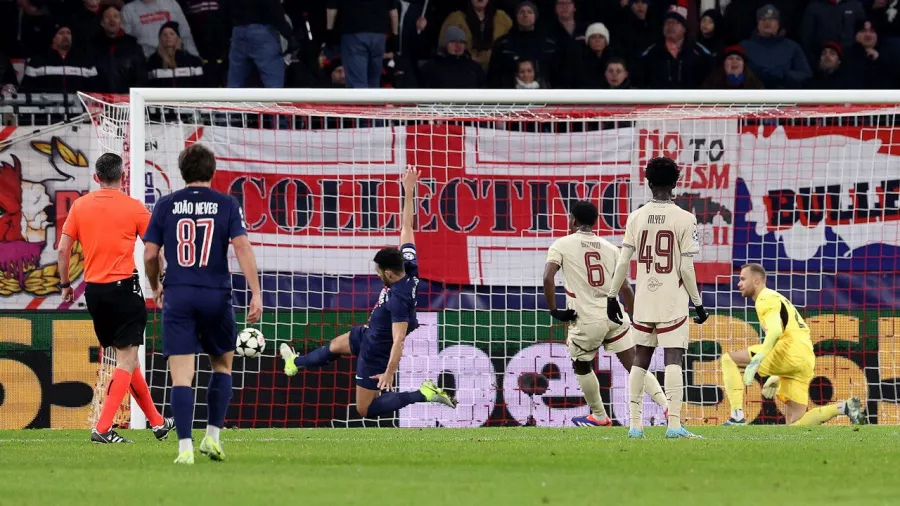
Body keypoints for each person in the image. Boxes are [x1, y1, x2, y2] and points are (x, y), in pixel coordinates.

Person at [279, 167, 456, 419]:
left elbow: (399, 340)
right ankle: (294, 364)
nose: (376, 273)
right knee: (334, 346)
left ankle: (424, 393)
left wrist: (389, 372)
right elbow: (407, 227)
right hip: (369, 332)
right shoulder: (409, 266)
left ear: (389, 273)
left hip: (377, 349)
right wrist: (408, 191)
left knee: (365, 408)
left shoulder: (399, 299)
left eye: (378, 270)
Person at [143, 144, 263, 464]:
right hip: (216, 296)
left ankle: (184, 448)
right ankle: (212, 437)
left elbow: (150, 254)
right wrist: (256, 291)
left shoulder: (166, 205)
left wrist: (156, 286)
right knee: (222, 366)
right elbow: (242, 247)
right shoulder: (226, 204)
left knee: (181, 377)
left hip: (179, 295)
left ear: (183, 172)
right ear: (213, 171)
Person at [57, 153, 174, 444]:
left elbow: (62, 250)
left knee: (127, 358)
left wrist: (65, 284)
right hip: (124, 289)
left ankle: (158, 422)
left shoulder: (80, 206)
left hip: (93, 292)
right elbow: (154, 249)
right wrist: (160, 280)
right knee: (127, 358)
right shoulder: (133, 207)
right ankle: (103, 427)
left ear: (96, 177)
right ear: (122, 177)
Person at [605, 157, 710, 439]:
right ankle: (674, 425)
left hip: (644, 299)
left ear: (648, 183)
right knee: (673, 357)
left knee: (641, 358)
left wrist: (612, 296)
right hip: (672, 300)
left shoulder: (635, 217)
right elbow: (686, 268)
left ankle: (635, 426)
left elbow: (623, 261)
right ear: (675, 184)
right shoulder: (685, 219)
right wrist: (697, 302)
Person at [543, 200, 669, 427]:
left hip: (586, 318)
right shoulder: (611, 249)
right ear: (595, 221)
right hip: (615, 316)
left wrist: (554, 310)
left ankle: (599, 415)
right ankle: (668, 406)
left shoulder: (561, 244)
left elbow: (548, 277)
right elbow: (626, 287)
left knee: (581, 364)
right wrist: (633, 313)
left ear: (573, 220)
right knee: (634, 364)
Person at [720, 264, 865, 426]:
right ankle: (843, 407)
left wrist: (758, 359)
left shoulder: (765, 298)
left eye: (742, 279)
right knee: (795, 424)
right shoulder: (778, 299)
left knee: (728, 360)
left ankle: (737, 416)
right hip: (804, 358)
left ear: (756, 280)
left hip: (789, 351)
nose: (738, 283)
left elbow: (775, 332)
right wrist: (776, 374)